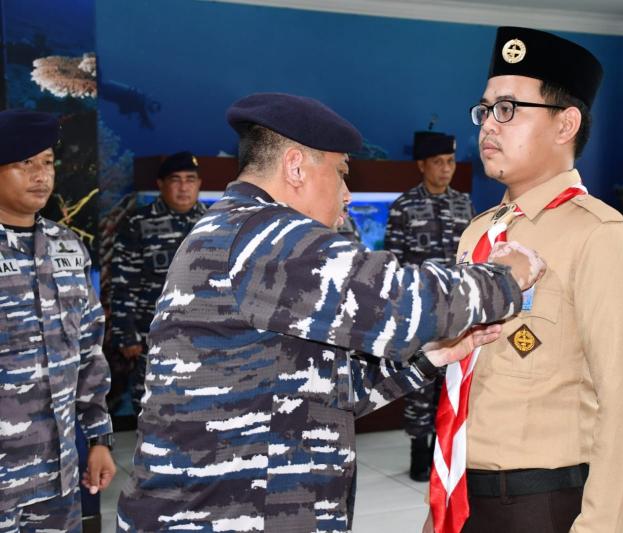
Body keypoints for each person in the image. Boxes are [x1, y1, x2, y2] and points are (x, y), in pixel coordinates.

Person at [116, 92, 546, 532]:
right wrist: (505, 276)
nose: (346, 193)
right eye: (341, 174)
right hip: (222, 517)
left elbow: (326, 390)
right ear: (296, 166)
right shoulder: (269, 238)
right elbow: (401, 299)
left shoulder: (239, 229)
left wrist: (431, 357)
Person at [426, 27, 623, 533]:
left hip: (539, 503)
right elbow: (463, 378)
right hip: (463, 491)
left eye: (508, 109)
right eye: (485, 110)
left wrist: (598, 525)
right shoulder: (478, 232)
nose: (489, 125)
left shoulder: (600, 236)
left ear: (564, 124)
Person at [0, 110, 115, 532]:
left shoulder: (67, 247)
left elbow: (87, 349)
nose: (40, 175)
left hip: (58, 480)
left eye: (47, 162)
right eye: (23, 163)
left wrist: (100, 439)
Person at [384, 130, 474, 481]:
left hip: (457, 313)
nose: (446, 169)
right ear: (422, 165)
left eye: (450, 162)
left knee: (451, 383)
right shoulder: (404, 207)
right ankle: (419, 452)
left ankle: (445, 451)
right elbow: (394, 263)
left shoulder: (464, 205)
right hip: (419, 313)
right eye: (438, 162)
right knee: (419, 383)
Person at [110, 151, 206, 415]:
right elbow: (122, 281)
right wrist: (126, 334)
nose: (184, 187)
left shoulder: (213, 223)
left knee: (200, 412)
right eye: (176, 180)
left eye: (190, 179)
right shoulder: (138, 223)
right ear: (160, 184)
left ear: (199, 184)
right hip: (152, 338)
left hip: (203, 339)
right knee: (152, 411)